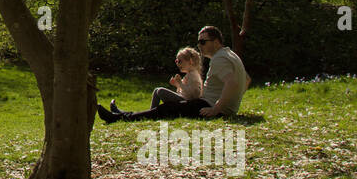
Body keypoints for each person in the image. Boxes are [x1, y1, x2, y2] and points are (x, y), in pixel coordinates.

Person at [102, 27, 248, 121]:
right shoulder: (230, 54)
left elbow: (232, 83)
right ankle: (122, 114)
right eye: (198, 42)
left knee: (167, 108)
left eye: (203, 42)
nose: (199, 45)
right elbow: (246, 80)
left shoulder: (219, 58)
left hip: (209, 106)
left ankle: (119, 118)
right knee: (169, 107)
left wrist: (216, 108)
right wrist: (232, 104)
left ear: (216, 42)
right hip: (216, 107)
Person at [97, 46, 204, 123]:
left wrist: (180, 83)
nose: (177, 64)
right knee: (158, 90)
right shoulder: (189, 75)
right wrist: (177, 85)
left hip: (187, 105)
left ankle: (149, 114)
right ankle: (149, 113)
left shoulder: (193, 75)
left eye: (180, 61)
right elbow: (185, 92)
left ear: (190, 61)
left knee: (160, 90)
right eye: (176, 61)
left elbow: (194, 95)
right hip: (184, 102)